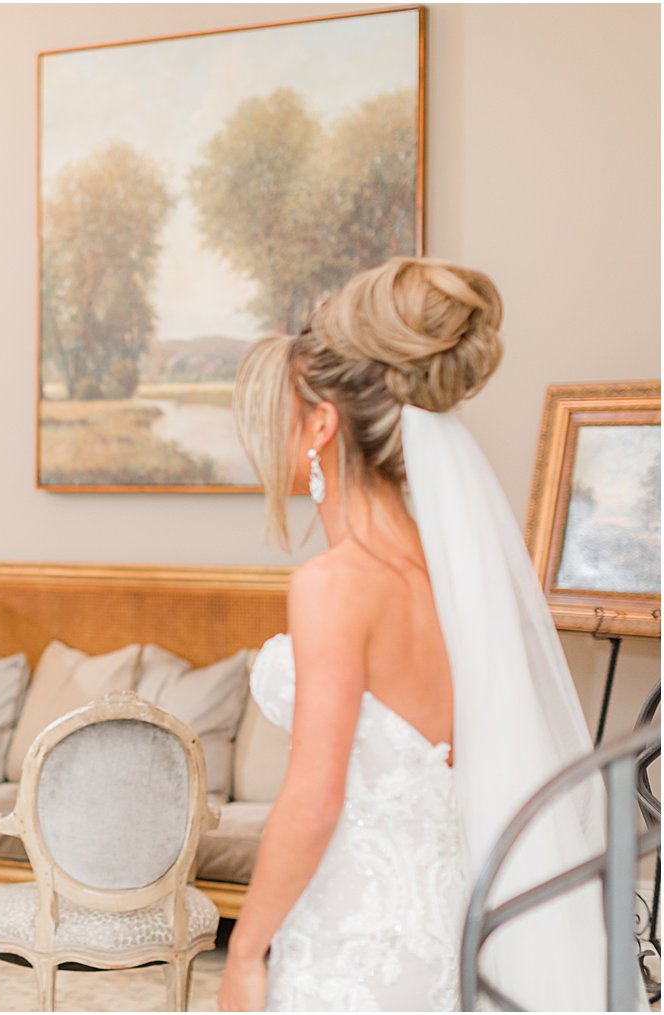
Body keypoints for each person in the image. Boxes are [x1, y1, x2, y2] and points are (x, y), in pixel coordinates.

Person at [218, 258, 605, 1011]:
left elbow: (313, 796)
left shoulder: (335, 585)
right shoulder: (454, 575)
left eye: (278, 416)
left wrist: (245, 948)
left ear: (322, 424)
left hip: (353, 940)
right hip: (448, 928)